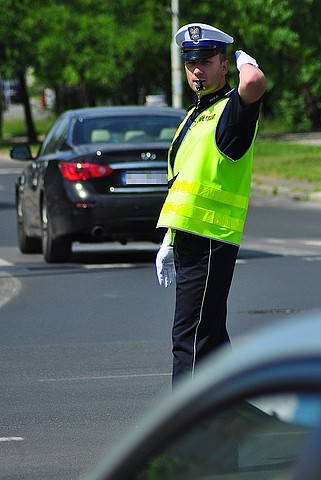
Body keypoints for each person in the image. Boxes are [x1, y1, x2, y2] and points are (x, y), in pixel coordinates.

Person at [155, 22, 266, 386]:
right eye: (190, 63)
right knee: (212, 341)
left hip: (209, 239)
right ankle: (230, 430)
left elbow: (253, 84)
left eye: (206, 61)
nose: (197, 70)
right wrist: (170, 239)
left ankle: (187, 432)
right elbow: (185, 185)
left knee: (190, 342)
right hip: (190, 238)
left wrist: (245, 60)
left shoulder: (231, 110)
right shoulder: (195, 115)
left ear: (223, 64)